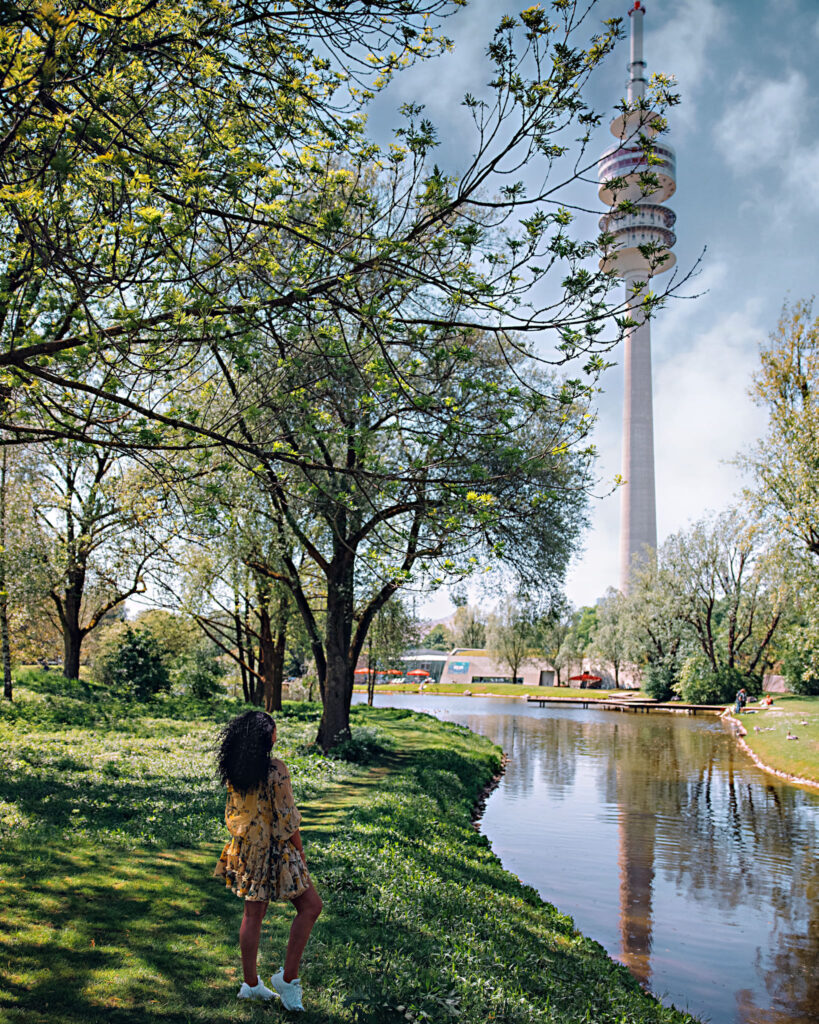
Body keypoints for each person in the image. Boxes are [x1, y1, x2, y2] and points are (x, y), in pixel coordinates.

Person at [214, 710, 322, 1010]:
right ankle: (288, 980)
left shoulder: (236, 769)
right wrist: (300, 852)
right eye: (273, 728)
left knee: (253, 916)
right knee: (312, 906)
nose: (277, 731)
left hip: (248, 849)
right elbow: (287, 820)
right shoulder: (275, 770)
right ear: (265, 736)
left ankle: (251, 985)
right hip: (274, 849)